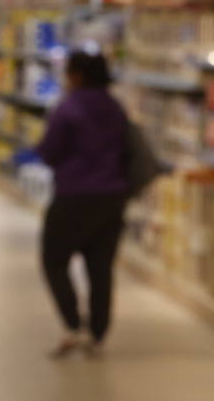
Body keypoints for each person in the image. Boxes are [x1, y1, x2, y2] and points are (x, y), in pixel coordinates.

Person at [34, 50, 130, 359]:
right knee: (100, 266)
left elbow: (50, 151)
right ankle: (98, 332)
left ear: (77, 75)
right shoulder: (116, 108)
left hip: (74, 196)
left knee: (54, 259)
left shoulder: (69, 108)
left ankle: (74, 323)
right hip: (112, 198)